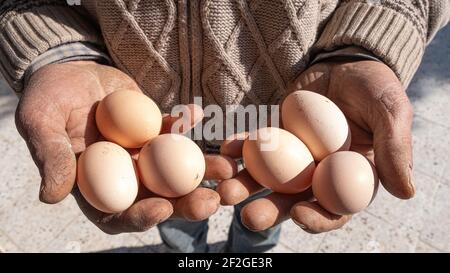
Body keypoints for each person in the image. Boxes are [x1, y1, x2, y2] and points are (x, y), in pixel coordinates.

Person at [0, 0, 448, 253]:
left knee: (260, 216)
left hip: (277, 125)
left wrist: (360, 50)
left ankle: (245, 257)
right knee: (174, 217)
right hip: (150, 132)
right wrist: (57, 52)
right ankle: (186, 255)